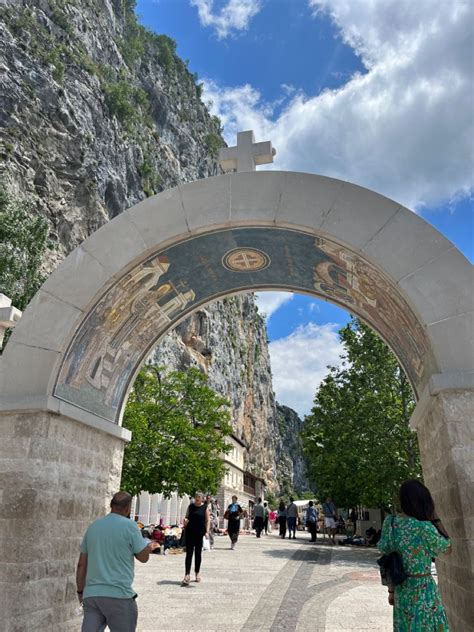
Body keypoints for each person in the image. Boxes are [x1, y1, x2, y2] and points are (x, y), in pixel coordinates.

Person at [76, 491, 159, 632]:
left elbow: (81, 564)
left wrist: (80, 591)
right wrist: (149, 547)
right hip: (119, 595)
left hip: (92, 596)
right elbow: (142, 558)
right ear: (128, 508)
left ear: (111, 505)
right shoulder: (130, 526)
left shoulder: (93, 527)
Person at [378, 479, 451, 630]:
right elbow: (447, 548)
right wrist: (435, 519)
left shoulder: (390, 523)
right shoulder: (423, 527)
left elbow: (387, 559)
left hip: (401, 590)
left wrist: (391, 591)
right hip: (424, 590)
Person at [181, 492, 210, 586]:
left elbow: (207, 520)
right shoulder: (190, 507)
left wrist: (207, 532)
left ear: (202, 499)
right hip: (190, 533)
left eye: (199, 497)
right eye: (196, 497)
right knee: (189, 554)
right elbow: (186, 517)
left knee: (198, 554)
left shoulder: (205, 507)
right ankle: (187, 575)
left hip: (199, 534)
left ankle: (197, 573)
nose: (197, 499)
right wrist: (185, 521)